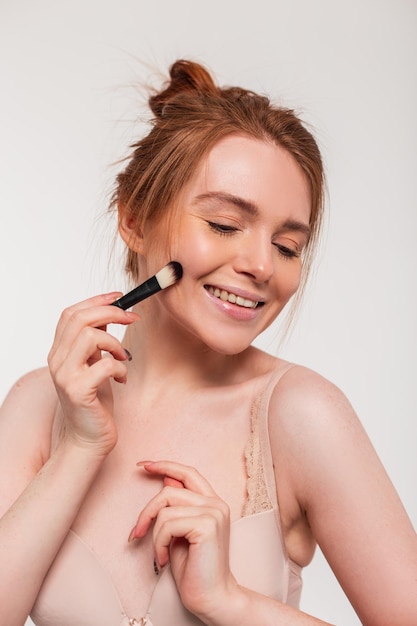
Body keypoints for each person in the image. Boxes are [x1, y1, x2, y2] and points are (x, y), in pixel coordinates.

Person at [0, 58, 416, 626]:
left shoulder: (302, 416)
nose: (262, 265)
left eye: (289, 246)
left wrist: (229, 602)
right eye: (224, 225)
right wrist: (77, 449)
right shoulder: (37, 407)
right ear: (135, 217)